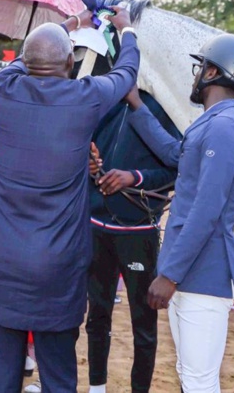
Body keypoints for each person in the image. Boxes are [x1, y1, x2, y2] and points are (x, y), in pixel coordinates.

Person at [0, 6, 139, 393]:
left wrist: (70, 23)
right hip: (55, 271)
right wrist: (126, 31)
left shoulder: (5, 89)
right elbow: (126, 73)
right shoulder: (86, 98)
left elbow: (19, 60)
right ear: (69, 61)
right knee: (59, 379)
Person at [125, 33, 234, 392]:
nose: (195, 74)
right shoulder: (215, 123)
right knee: (190, 376)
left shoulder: (225, 128)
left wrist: (169, 275)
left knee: (199, 381)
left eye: (200, 67)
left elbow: (207, 211)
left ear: (213, 72)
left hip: (201, 272)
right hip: (191, 269)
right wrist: (137, 107)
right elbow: (176, 154)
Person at [86, 88, 180, 393]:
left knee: (144, 324)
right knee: (97, 315)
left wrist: (134, 177)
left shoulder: (166, 104)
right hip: (96, 225)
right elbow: (89, 151)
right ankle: (96, 387)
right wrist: (89, 166)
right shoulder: (106, 98)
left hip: (139, 232)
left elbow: (176, 168)